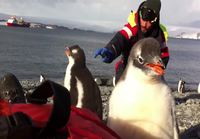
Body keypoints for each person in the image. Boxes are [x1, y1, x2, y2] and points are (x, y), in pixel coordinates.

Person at [94, 0, 169, 84]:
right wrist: (110, 51)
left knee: (161, 91)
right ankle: (118, 81)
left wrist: (158, 67)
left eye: (149, 21)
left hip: (150, 70)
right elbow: (120, 39)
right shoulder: (132, 28)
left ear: (155, 20)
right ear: (139, 13)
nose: (145, 24)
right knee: (124, 91)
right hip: (128, 66)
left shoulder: (159, 34)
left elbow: (164, 55)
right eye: (143, 19)